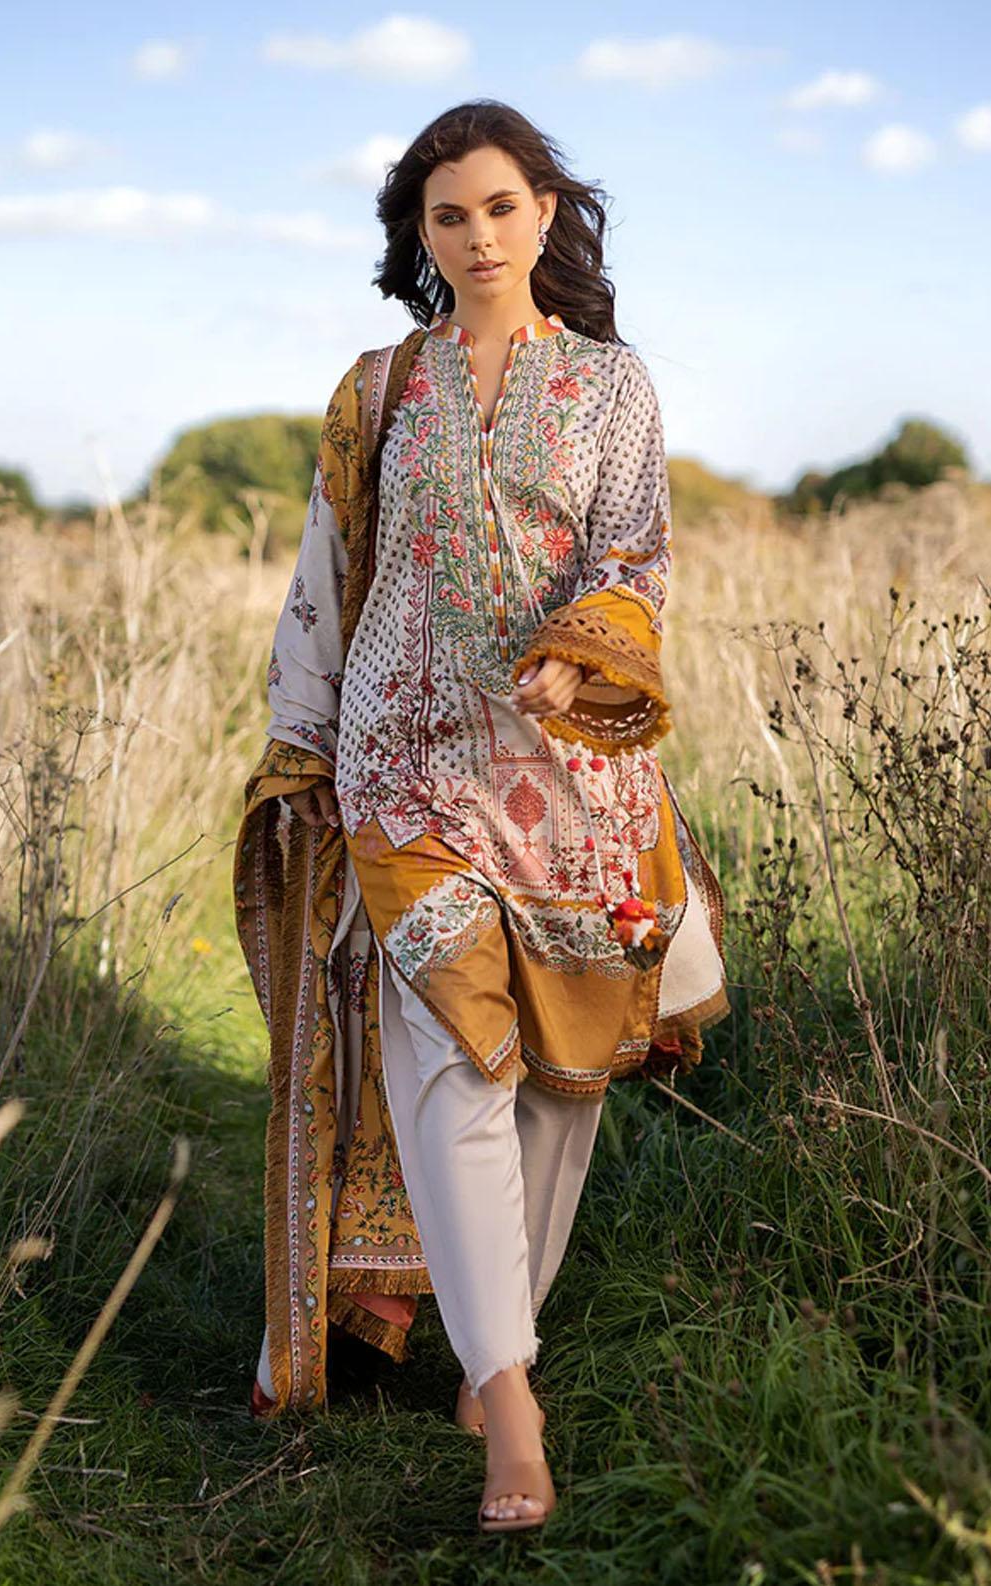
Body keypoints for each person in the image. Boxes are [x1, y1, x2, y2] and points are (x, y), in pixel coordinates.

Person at [233, 98, 730, 1534]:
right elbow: (327, 569)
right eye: (447, 215)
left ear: (545, 214)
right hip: (407, 770)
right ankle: (509, 1396)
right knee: (456, 1055)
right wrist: (303, 744)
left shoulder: (614, 386)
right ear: (419, 235)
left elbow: (635, 548)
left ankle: (491, 1338)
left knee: (560, 1079)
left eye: (501, 207)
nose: (478, 236)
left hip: (575, 781)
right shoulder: (379, 388)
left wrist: (582, 650)